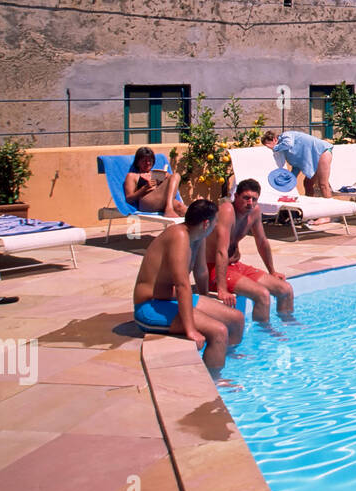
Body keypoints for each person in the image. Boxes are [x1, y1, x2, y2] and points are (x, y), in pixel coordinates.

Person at [132, 198, 244, 374]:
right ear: (206, 223)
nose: (216, 225)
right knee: (219, 331)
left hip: (171, 299)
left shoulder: (198, 236)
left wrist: (204, 297)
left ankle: (227, 360)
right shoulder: (179, 236)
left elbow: (200, 272)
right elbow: (182, 284)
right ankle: (214, 379)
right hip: (150, 305)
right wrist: (190, 329)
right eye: (215, 221)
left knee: (236, 318)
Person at [206, 178, 295, 322]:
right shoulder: (227, 210)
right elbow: (221, 251)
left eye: (254, 199)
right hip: (215, 270)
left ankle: (288, 326)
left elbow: (262, 242)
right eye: (246, 198)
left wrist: (272, 271)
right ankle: (263, 333)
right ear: (236, 197)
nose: (250, 203)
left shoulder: (254, 211)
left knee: (285, 289)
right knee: (262, 294)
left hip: (236, 266)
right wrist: (222, 289)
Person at [124, 146, 188, 217]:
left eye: (150, 161)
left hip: (160, 201)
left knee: (180, 207)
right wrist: (145, 188)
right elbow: (129, 199)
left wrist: (167, 177)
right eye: (144, 161)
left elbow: (173, 184)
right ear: (138, 162)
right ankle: (169, 209)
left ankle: (199, 223)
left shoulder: (156, 173)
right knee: (175, 176)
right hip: (146, 203)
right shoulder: (132, 176)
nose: (147, 163)